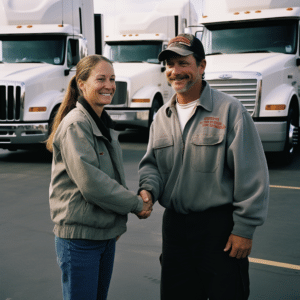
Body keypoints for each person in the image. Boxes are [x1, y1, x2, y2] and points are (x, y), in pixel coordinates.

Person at [138, 34, 269, 300]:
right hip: (174, 229)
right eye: (170, 64)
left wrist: (244, 229)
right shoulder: (162, 117)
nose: (176, 71)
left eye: (183, 63)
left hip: (219, 229)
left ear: (201, 66)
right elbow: (152, 165)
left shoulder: (230, 111)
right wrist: (148, 190)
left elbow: (252, 174)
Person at [47, 54, 152, 300]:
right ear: (81, 84)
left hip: (103, 234)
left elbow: (111, 176)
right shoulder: (77, 124)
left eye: (112, 79)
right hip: (80, 240)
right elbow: (92, 184)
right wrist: (137, 204)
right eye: (101, 79)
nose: (109, 85)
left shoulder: (102, 122)